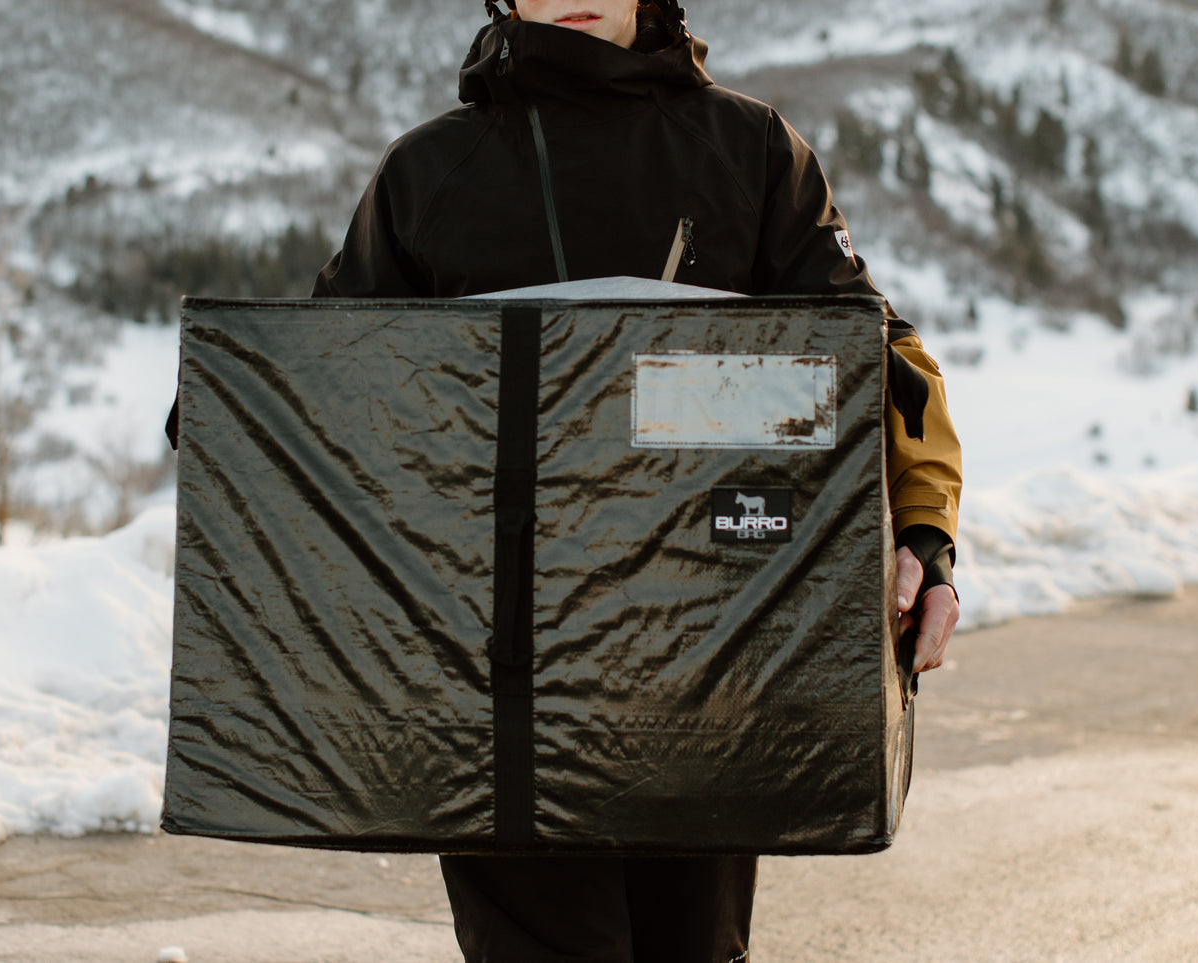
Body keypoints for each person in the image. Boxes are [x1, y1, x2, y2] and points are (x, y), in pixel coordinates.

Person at [309, 2, 962, 960]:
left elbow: (874, 358)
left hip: (709, 653)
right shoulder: (428, 171)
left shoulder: (748, 149)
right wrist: (215, 404)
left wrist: (925, 535)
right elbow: (328, 383)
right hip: (498, 671)